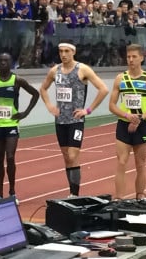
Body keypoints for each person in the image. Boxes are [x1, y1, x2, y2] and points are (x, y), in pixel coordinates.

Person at [39, 40, 109, 197]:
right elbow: (43, 88)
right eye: (61, 51)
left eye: (67, 51)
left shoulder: (82, 69)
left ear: (73, 52)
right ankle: (72, 191)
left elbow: (103, 89)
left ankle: (75, 194)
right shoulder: (54, 71)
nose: (63, 54)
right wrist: (49, 105)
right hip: (60, 120)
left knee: (73, 155)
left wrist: (88, 110)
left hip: (76, 120)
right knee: (66, 157)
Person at [0, 53, 39, 203]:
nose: (3, 63)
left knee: (10, 157)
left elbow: (35, 94)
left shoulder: (17, 80)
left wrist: (25, 113)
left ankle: (12, 193)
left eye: (6, 61)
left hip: (12, 124)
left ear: (11, 63)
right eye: (1, 61)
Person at [108, 44, 146, 200]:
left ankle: (140, 195)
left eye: (134, 57)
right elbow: (111, 105)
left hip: (142, 125)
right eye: (128, 57)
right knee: (121, 162)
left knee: (140, 164)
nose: (130, 60)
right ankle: (119, 198)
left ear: (142, 58)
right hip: (124, 124)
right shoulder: (120, 78)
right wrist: (126, 115)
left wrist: (140, 118)